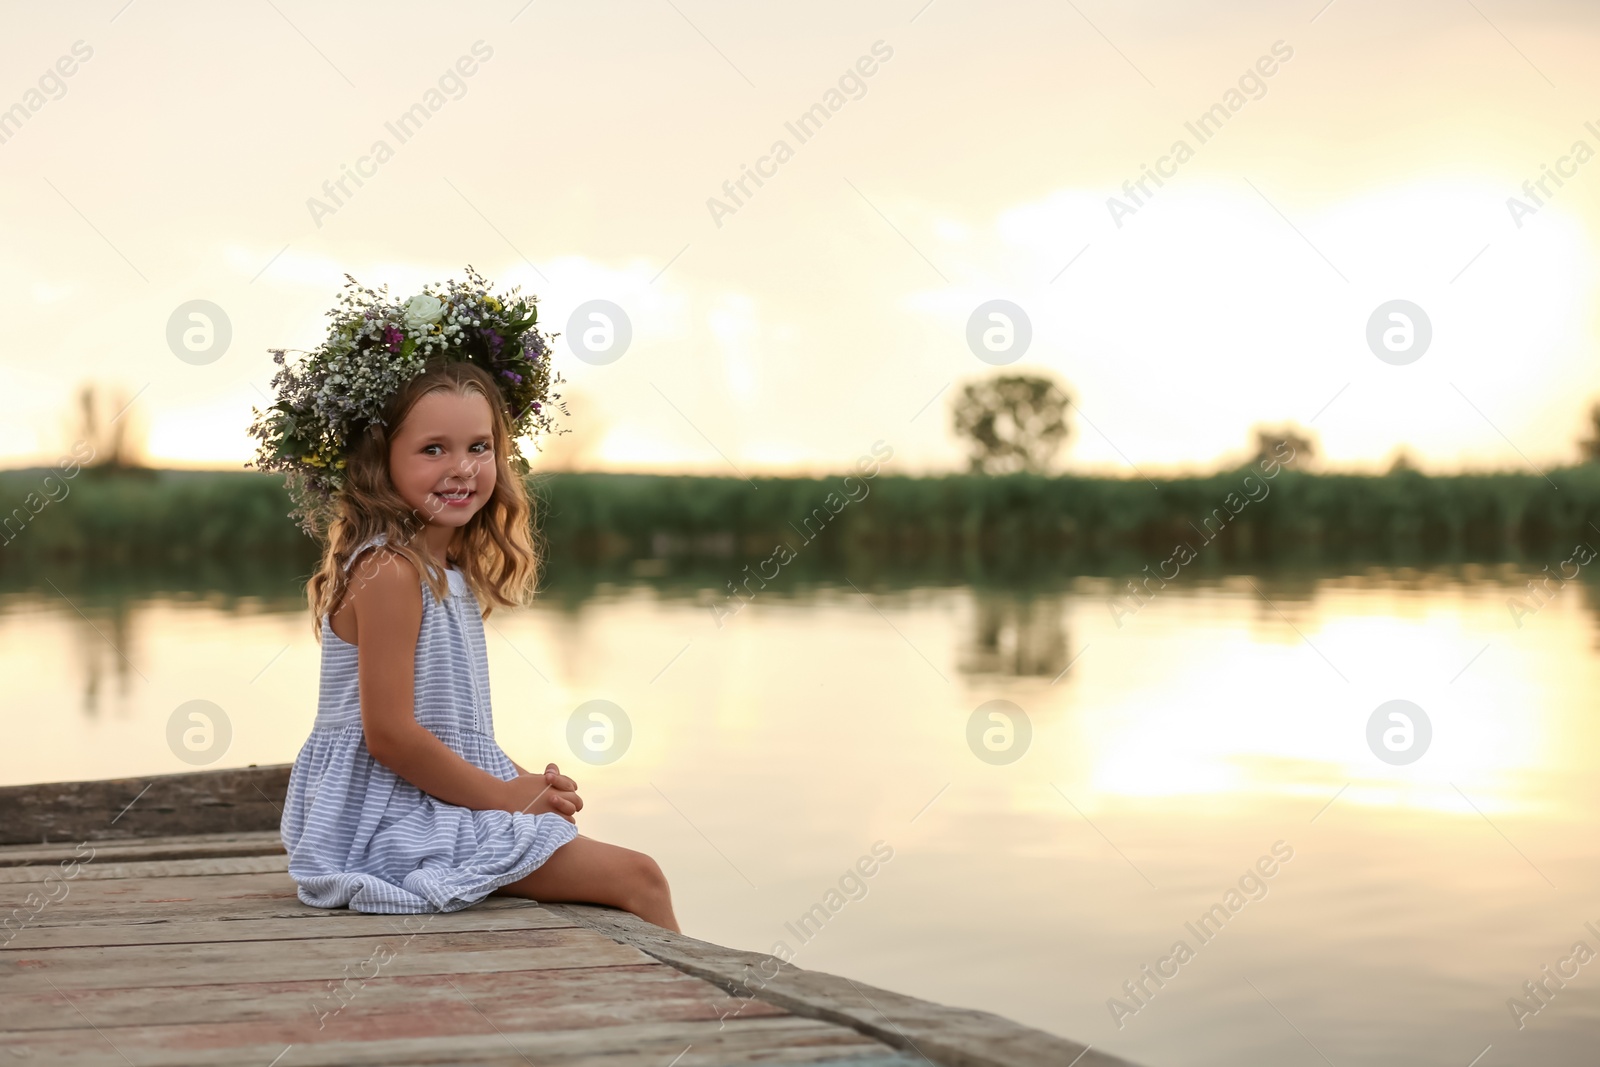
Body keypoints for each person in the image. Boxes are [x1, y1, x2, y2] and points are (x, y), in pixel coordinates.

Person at [263, 270, 678, 931]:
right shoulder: (390, 571)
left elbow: (451, 730)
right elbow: (393, 736)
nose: (462, 468)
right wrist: (505, 798)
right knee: (640, 877)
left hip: (433, 798)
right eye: (434, 449)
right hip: (388, 816)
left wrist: (526, 782)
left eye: (479, 447)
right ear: (381, 458)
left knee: (628, 874)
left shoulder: (441, 566)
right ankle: (698, 1031)